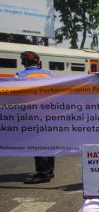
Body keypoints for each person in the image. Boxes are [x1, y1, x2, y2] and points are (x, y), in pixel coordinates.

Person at [16, 51, 55, 184]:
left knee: (38, 144)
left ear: (23, 63)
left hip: (32, 115)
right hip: (49, 113)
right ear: (38, 62)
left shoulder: (20, 76)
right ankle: (49, 170)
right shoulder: (49, 74)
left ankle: (43, 173)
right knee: (48, 142)